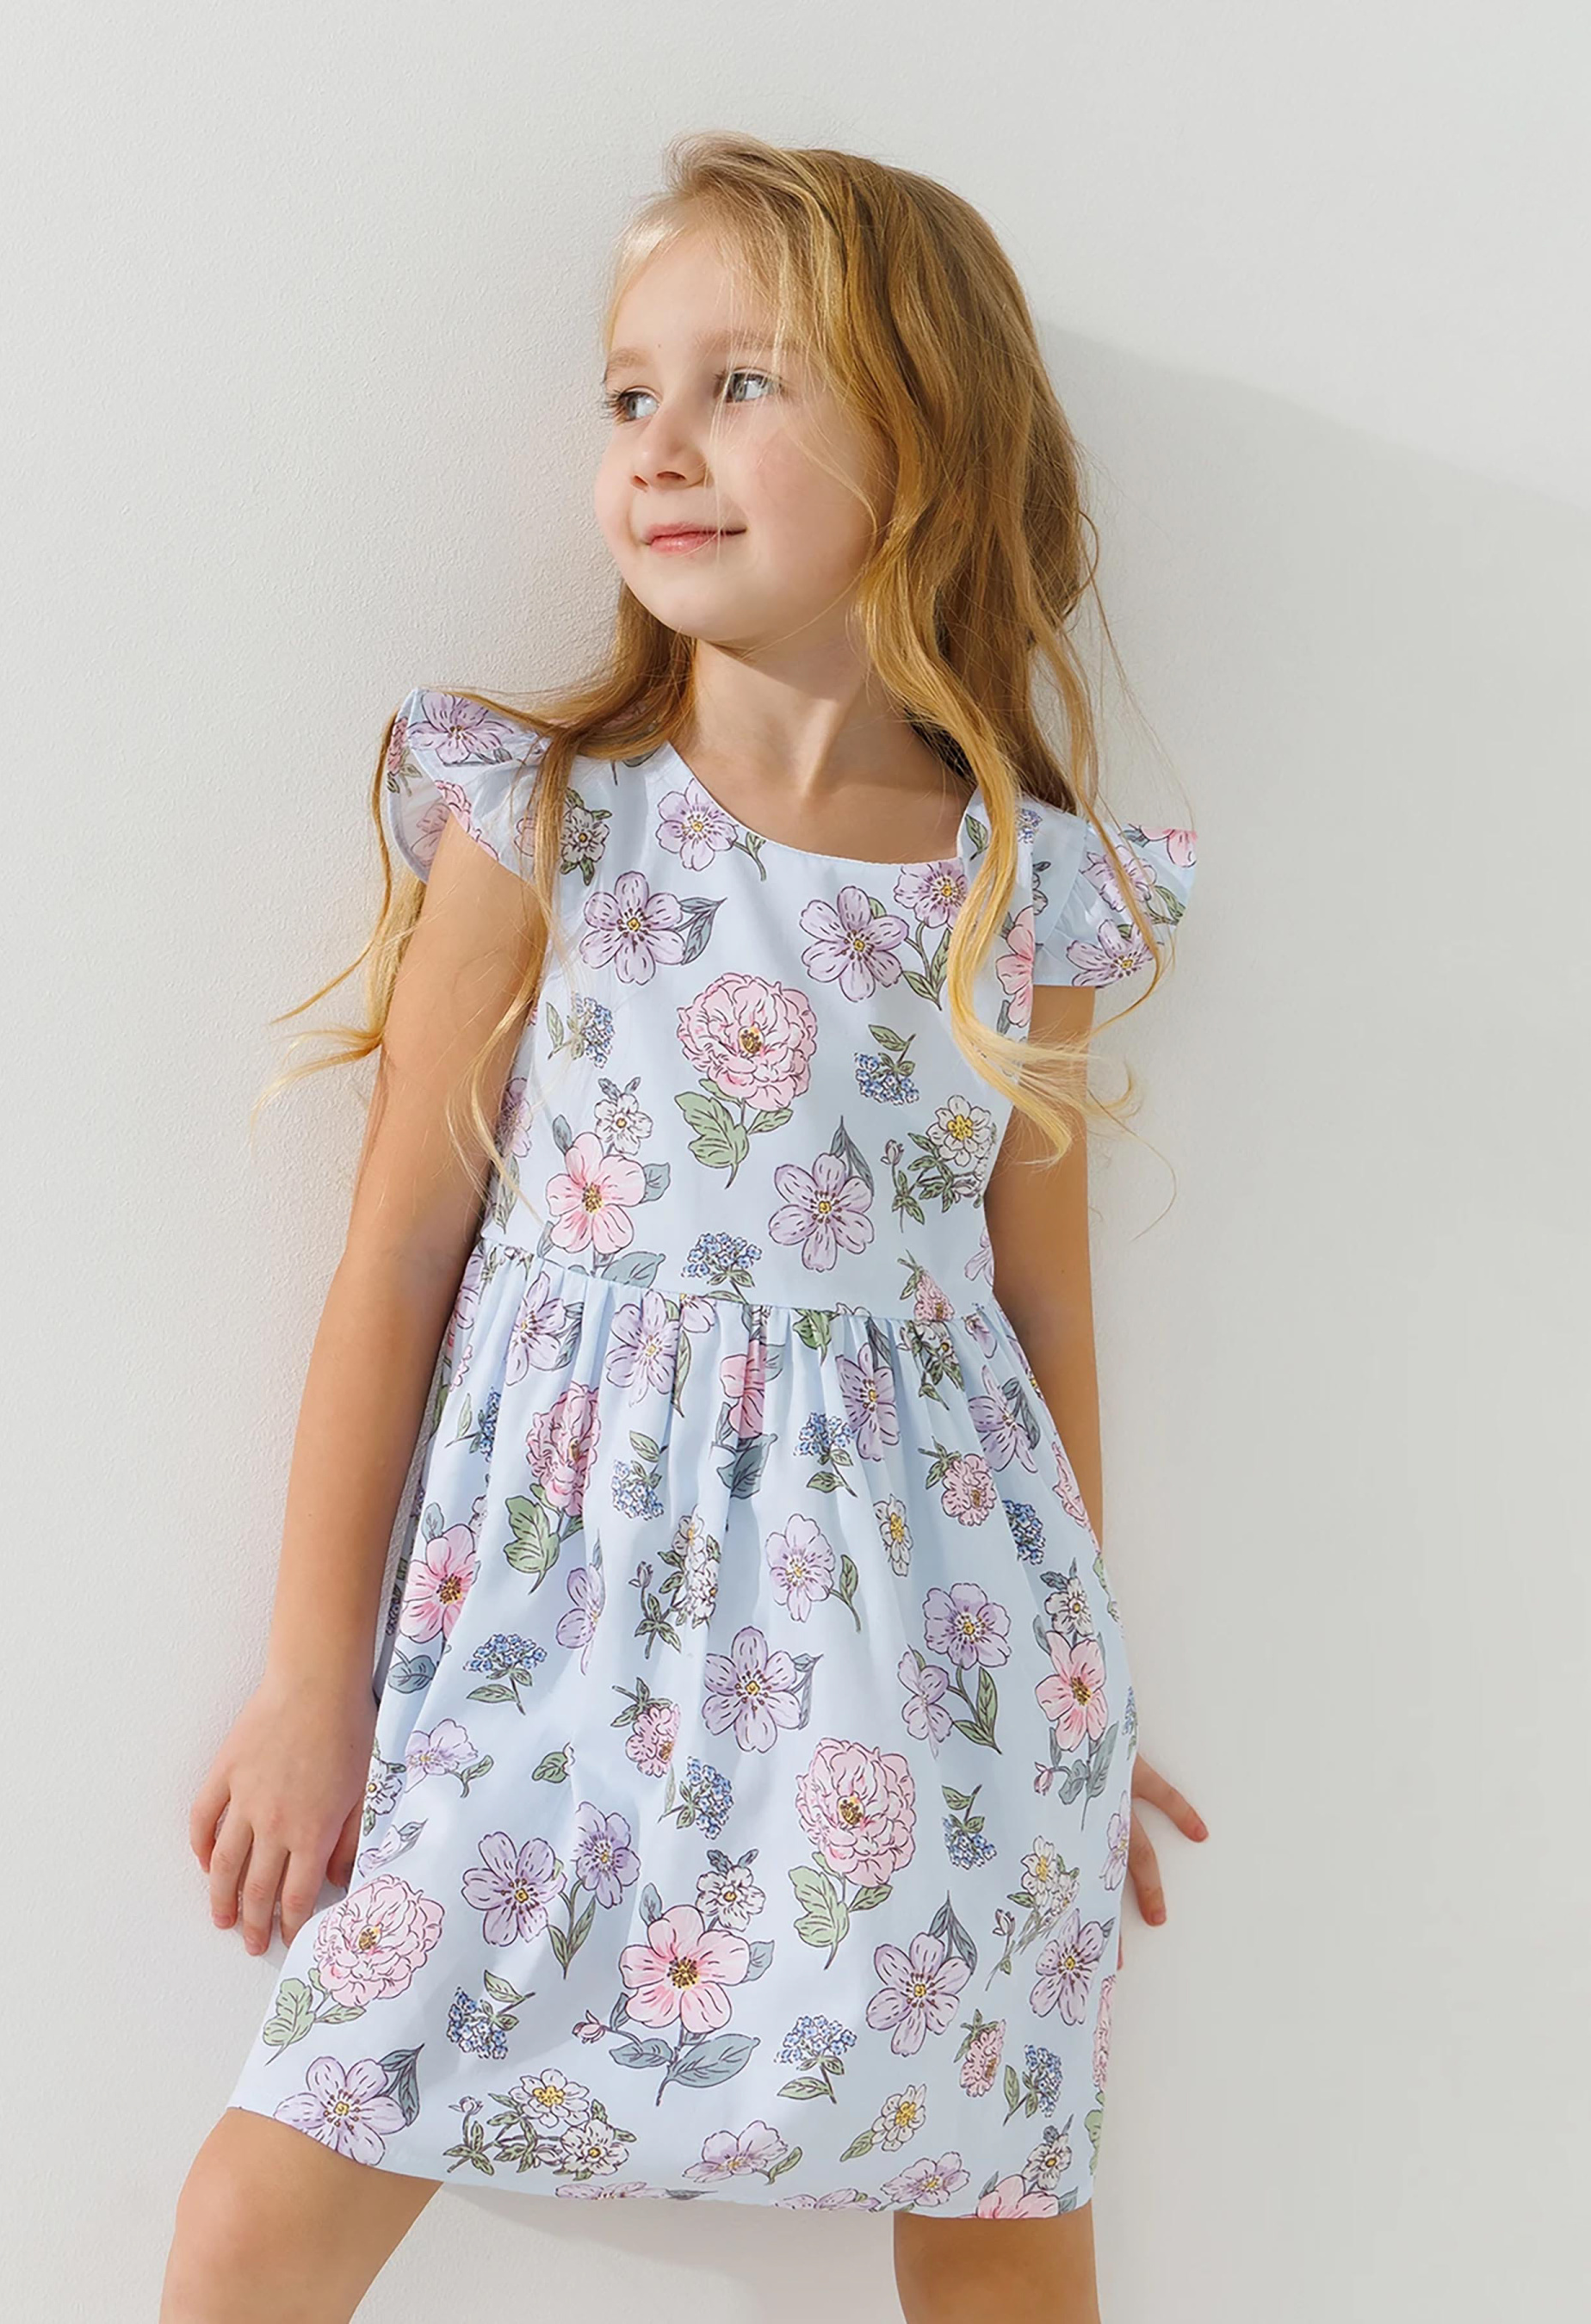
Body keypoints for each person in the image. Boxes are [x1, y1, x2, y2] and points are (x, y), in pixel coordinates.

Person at [161, 131, 1210, 2324]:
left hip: (928, 1666)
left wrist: (1083, 1699)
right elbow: (396, 1257)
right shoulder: (546, 823)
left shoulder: (1018, 896)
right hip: (543, 1640)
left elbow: (1038, 1312)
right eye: (629, 392)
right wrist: (309, 1687)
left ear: (924, 442)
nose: (657, 444)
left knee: (995, 2204)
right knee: (266, 2200)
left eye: (741, 385)